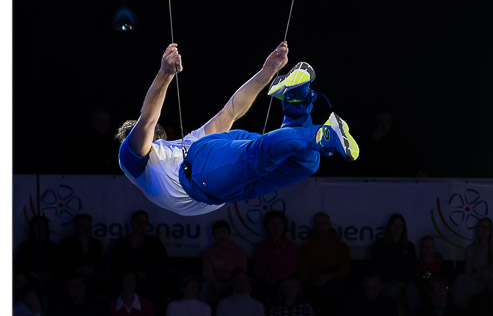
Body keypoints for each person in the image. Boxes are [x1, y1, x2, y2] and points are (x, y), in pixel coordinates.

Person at [116, 43, 357, 217]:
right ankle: (296, 98)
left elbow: (149, 119)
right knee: (303, 163)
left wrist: (164, 75)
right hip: (228, 184)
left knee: (260, 155)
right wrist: (268, 72)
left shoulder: (180, 147)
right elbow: (228, 112)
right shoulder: (134, 162)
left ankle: (321, 134)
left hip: (201, 174)